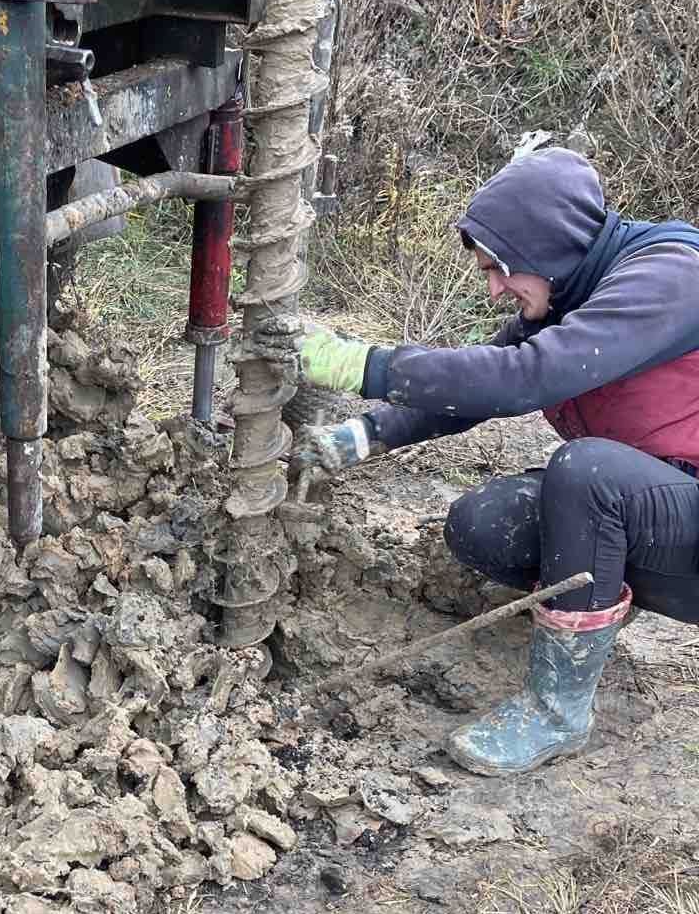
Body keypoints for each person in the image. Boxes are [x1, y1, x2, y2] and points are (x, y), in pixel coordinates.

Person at [292, 147, 699, 777]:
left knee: (587, 472)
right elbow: (475, 388)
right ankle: (590, 614)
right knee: (483, 524)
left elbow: (524, 378)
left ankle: (557, 710)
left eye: (503, 269)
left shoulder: (672, 279)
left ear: (552, 248)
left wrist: (363, 363)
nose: (493, 288)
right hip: (660, 506)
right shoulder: (571, 291)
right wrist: (361, 435)